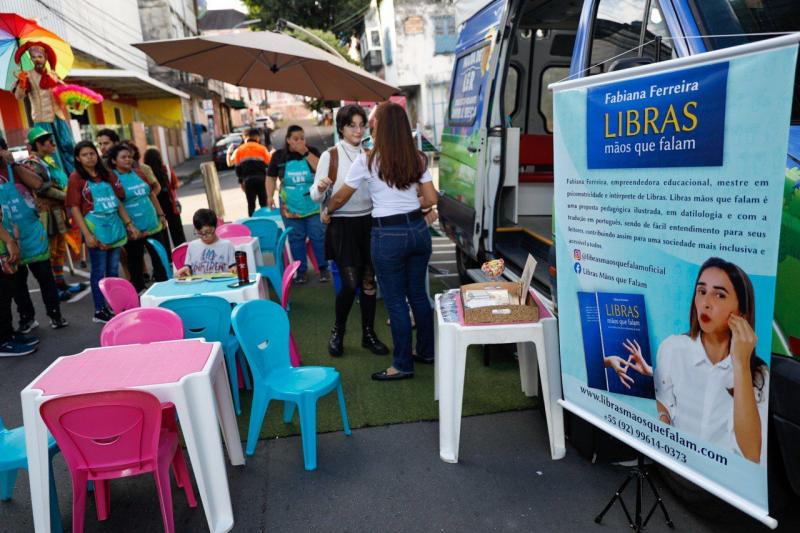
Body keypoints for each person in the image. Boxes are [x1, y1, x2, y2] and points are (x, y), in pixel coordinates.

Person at [328, 102, 438, 381]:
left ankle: (402, 364)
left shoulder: (367, 160)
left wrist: (327, 210)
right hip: (418, 230)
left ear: (381, 128)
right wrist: (410, 203)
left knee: (396, 301)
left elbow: (341, 196)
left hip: (388, 235)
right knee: (418, 295)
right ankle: (427, 351)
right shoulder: (418, 158)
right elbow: (431, 198)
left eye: (373, 122)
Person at [622, 257, 768, 464]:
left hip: (722, 478)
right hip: (675, 466)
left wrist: (741, 365)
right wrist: (663, 421)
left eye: (719, 295)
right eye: (701, 291)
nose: (706, 303)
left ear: (741, 313)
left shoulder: (759, 374)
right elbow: (665, 400)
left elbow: (752, 454)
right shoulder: (673, 347)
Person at [310, 105, 388, 357]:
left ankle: (368, 334)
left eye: (361, 125)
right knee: (350, 283)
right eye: (351, 125)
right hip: (342, 226)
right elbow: (314, 196)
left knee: (369, 282)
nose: (357, 130)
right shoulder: (330, 155)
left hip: (369, 223)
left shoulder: (371, 154)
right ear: (341, 128)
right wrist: (321, 187)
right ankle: (338, 331)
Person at [0, 138, 69, 332]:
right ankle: (27, 318)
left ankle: (55, 314)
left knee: (45, 276)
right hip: (7, 238)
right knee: (17, 283)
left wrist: (13, 164)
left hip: (32, 233)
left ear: (5, 149)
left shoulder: (18, 168)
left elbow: (38, 184)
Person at [66, 141, 137, 323]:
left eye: (92, 153)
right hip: (95, 229)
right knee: (98, 271)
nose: (90, 157)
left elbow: (117, 202)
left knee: (113, 270)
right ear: (78, 158)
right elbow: (74, 208)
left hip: (113, 226)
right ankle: (99, 310)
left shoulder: (107, 174)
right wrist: (87, 235)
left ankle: (114, 305)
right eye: (85, 155)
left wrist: (129, 224)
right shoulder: (75, 178)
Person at [23, 127, 86, 301]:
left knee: (59, 250)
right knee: (50, 252)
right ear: (38, 144)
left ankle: (61, 284)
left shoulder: (48, 160)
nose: (53, 144)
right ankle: (53, 290)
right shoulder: (32, 164)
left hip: (57, 211)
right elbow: (41, 189)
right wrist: (68, 197)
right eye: (50, 142)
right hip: (45, 213)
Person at [267, 125, 329, 284]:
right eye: (296, 139)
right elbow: (271, 177)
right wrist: (269, 196)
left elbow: (322, 170)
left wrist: (306, 153)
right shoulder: (279, 156)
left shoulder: (312, 151)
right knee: (295, 238)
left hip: (313, 205)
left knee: (318, 236)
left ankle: (323, 269)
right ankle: (301, 272)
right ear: (288, 140)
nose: (300, 141)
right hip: (290, 207)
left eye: (302, 138)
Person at [106, 144, 167, 292]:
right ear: (114, 161)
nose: (128, 159)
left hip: (152, 223)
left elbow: (151, 194)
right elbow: (117, 204)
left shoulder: (139, 173)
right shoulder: (112, 179)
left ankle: (164, 289)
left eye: (129, 157)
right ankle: (140, 292)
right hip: (133, 228)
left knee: (160, 258)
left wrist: (161, 215)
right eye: (123, 157)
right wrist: (129, 225)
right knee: (135, 262)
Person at [12, 42, 75, 173]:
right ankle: (59, 178)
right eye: (34, 57)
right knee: (50, 151)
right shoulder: (27, 75)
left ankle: (74, 173)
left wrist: (73, 100)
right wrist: (22, 84)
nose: (37, 60)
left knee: (68, 145)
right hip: (42, 120)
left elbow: (65, 93)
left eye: (40, 57)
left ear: (45, 58)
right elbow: (18, 96)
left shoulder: (53, 75)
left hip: (59, 118)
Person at [144, 147, 186, 249]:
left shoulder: (144, 172)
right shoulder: (166, 169)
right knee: (177, 231)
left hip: (154, 205)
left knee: (162, 233)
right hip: (169, 203)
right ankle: (182, 253)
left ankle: (167, 255)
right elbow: (175, 184)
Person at [175, 209, 236, 278]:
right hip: (200, 283)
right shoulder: (192, 246)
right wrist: (185, 270)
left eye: (208, 232)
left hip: (221, 282)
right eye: (200, 233)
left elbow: (233, 267)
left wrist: (234, 269)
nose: (204, 237)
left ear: (215, 227)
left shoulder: (227, 245)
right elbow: (188, 267)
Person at [232, 128, 271, 216]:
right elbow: (269, 164)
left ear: (245, 137)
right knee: (264, 203)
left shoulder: (239, 150)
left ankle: (252, 220)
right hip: (262, 180)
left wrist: (241, 182)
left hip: (248, 181)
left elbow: (238, 168)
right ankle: (266, 219)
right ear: (257, 137)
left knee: (251, 204)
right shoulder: (262, 148)